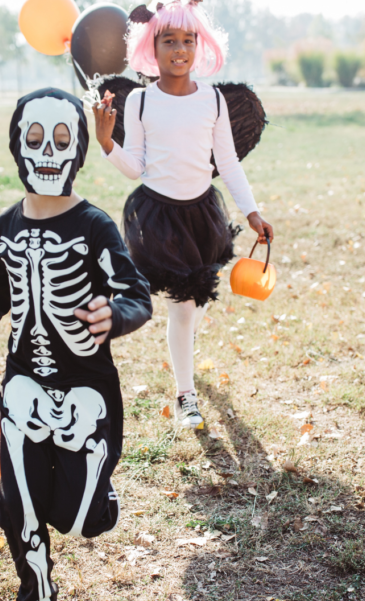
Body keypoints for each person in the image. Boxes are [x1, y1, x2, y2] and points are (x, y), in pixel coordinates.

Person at [0, 88, 152, 601]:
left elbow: (135, 292)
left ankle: (95, 497)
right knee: (20, 502)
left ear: (79, 149)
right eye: (35, 139)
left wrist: (117, 315)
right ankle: (34, 595)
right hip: (24, 384)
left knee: (80, 520)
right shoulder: (2, 231)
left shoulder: (92, 226)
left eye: (62, 139)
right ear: (18, 147)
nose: (48, 151)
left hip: (87, 389)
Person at [93, 0, 274, 430]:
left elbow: (226, 163)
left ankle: (185, 352)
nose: (179, 49)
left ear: (199, 45)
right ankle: (185, 396)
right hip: (159, 217)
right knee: (183, 307)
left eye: (187, 41)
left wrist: (251, 211)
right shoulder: (138, 101)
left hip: (202, 214)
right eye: (168, 41)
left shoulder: (211, 100)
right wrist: (106, 142)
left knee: (196, 302)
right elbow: (135, 167)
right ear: (151, 49)